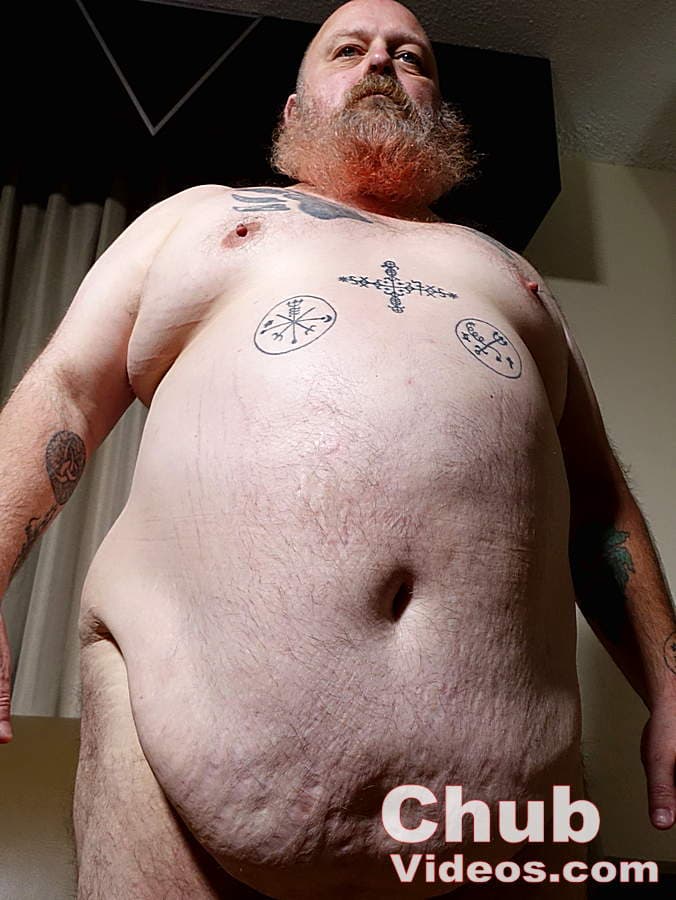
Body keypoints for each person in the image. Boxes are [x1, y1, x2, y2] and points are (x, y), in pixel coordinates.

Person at [0, 0, 674, 896]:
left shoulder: (509, 271)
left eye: (412, 57)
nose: (381, 63)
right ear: (294, 108)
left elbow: (599, 502)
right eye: (348, 49)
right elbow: (65, 394)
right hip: (177, 764)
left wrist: (669, 686)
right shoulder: (201, 217)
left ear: (439, 110)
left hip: (511, 818)